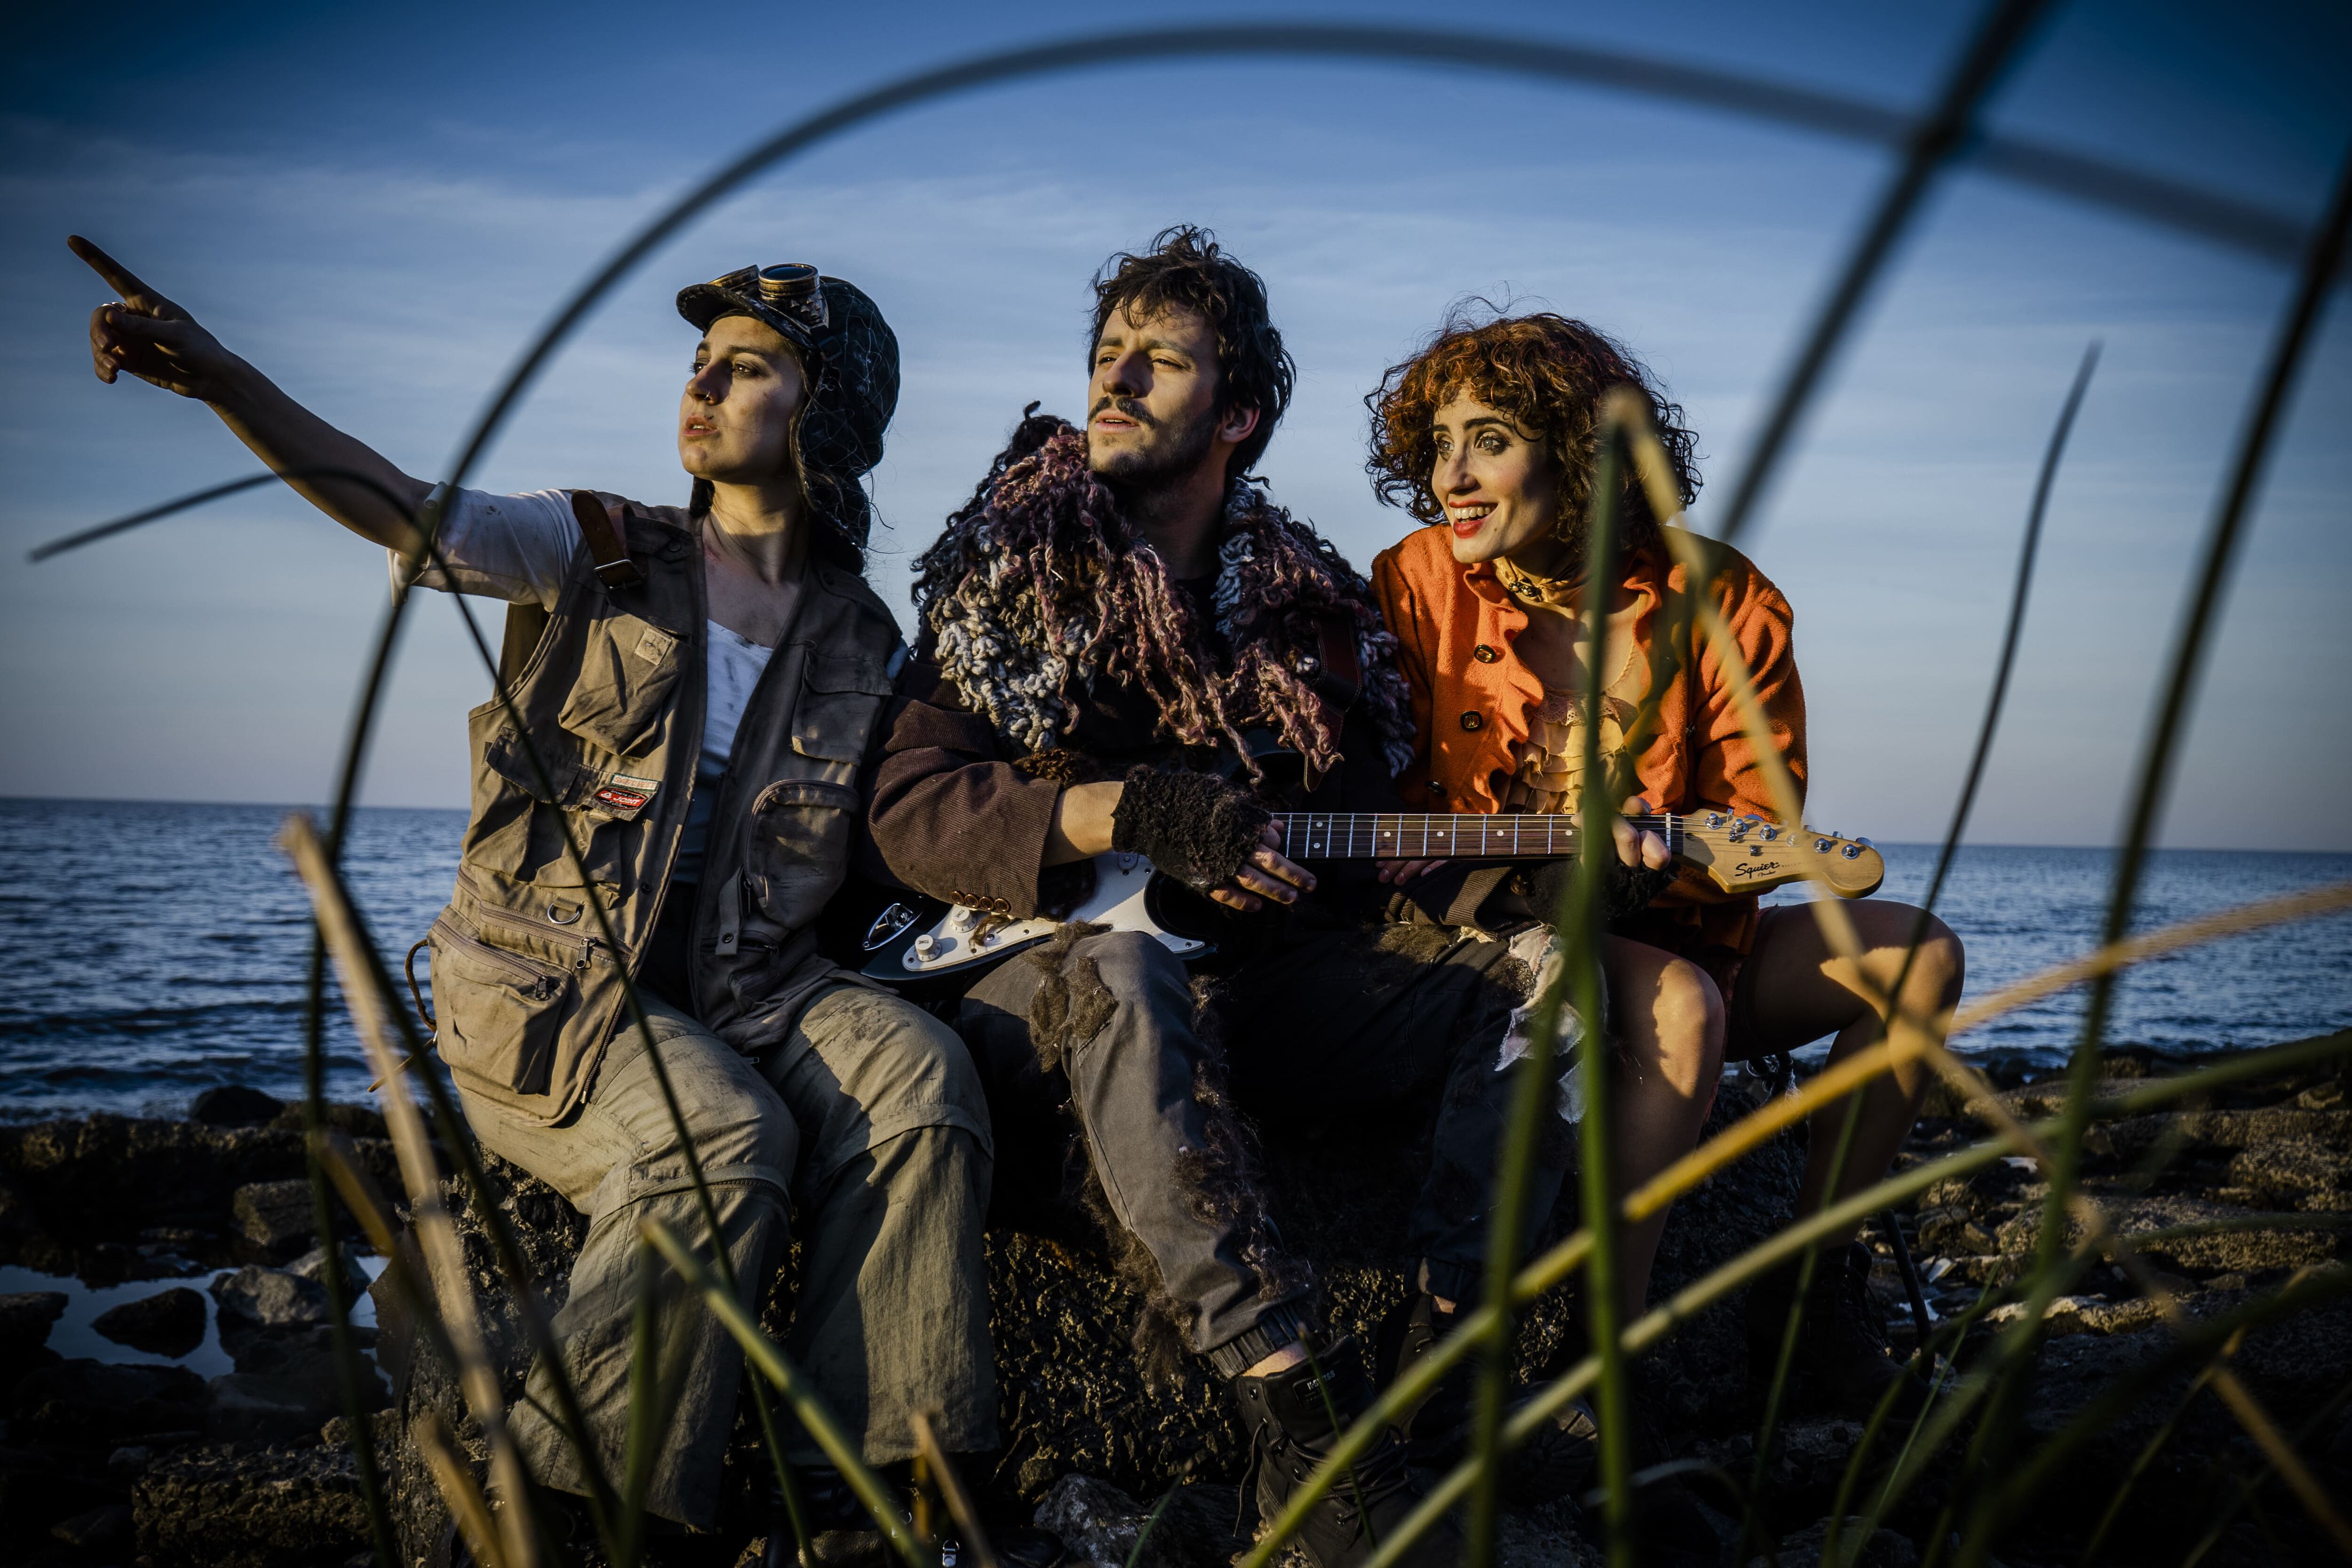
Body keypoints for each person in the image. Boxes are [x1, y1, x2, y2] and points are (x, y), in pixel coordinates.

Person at [70, 236, 1030, 1557]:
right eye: (697, 363)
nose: (699, 385)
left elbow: (912, 818)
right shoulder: (597, 547)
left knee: (926, 1079)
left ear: (828, 412)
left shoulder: (860, 634)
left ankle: (866, 1488)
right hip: (549, 990)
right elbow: (402, 505)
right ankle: (574, 1504)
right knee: (722, 1139)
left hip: (754, 982)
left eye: (746, 367)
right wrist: (229, 380)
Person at [867, 228, 1596, 1568]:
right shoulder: (1010, 573)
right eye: (1106, 356)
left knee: (1539, 977)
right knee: (1129, 977)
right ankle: (1305, 1422)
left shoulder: (1313, 610)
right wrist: (1128, 812)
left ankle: (1436, 1368)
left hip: (1247, 982)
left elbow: (1378, 833)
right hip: (1030, 975)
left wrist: (1534, 858)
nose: (1116, 379)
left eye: (1160, 359)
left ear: (1241, 411)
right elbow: (912, 813)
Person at [1365, 310, 1967, 1413]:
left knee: (1916, 956)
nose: (1450, 473)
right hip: (1504, 942)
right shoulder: (1411, 583)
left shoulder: (1727, 599)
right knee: (1680, 1003)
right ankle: (1612, 1355)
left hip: (1676, 925)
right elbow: (1387, 807)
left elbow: (1756, 822)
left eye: (1487, 439)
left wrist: (1649, 858)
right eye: (1437, 442)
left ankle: (1811, 1280)